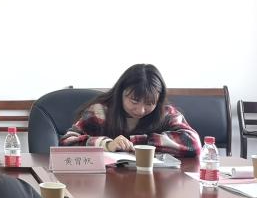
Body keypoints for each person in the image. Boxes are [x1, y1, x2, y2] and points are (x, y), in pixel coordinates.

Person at [59, 64, 201, 156]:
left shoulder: (165, 114)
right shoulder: (100, 112)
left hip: (153, 182)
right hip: (108, 184)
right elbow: (67, 143)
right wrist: (107, 144)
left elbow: (193, 143)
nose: (141, 110)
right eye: (134, 101)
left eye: (149, 103)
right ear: (120, 92)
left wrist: (138, 143)